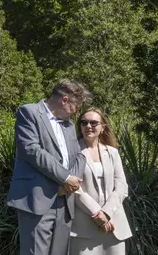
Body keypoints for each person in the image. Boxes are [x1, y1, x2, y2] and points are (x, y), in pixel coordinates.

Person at [7, 80, 92, 255]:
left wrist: (71, 185)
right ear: (65, 100)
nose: (78, 112)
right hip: (37, 200)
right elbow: (31, 150)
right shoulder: (29, 112)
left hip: (64, 203)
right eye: (77, 106)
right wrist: (65, 178)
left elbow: (78, 156)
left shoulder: (68, 126)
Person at [70, 108, 132, 255]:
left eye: (93, 122)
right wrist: (97, 214)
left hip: (114, 226)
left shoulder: (113, 152)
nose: (88, 126)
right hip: (84, 227)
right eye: (84, 122)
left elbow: (121, 187)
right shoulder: (71, 152)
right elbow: (73, 187)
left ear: (103, 127)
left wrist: (106, 213)